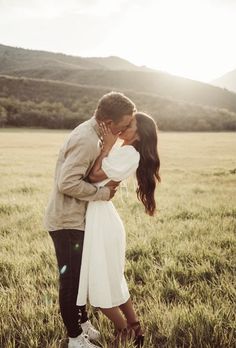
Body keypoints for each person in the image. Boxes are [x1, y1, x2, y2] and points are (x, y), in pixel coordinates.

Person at [44, 92, 136, 348]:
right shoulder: (87, 139)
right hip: (67, 221)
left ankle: (83, 323)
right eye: (125, 123)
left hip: (79, 220)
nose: (127, 128)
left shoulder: (98, 136)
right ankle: (75, 338)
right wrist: (102, 193)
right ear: (108, 120)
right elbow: (67, 182)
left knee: (80, 277)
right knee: (71, 281)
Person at [76, 112, 161, 347]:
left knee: (99, 285)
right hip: (101, 216)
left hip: (101, 221)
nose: (123, 127)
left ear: (139, 132)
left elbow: (93, 176)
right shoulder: (125, 150)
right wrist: (109, 146)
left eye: (129, 124)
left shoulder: (128, 152)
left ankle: (123, 330)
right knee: (113, 279)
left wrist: (108, 146)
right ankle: (135, 326)